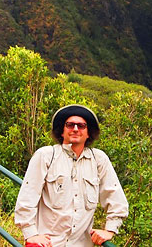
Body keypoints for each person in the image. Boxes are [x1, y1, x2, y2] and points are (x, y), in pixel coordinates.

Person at [15, 104, 129, 247]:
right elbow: (27, 197)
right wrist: (31, 234)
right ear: (62, 131)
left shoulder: (98, 160)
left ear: (88, 133)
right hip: (48, 244)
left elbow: (116, 197)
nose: (75, 129)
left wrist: (110, 229)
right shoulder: (46, 156)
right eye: (70, 125)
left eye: (81, 126)